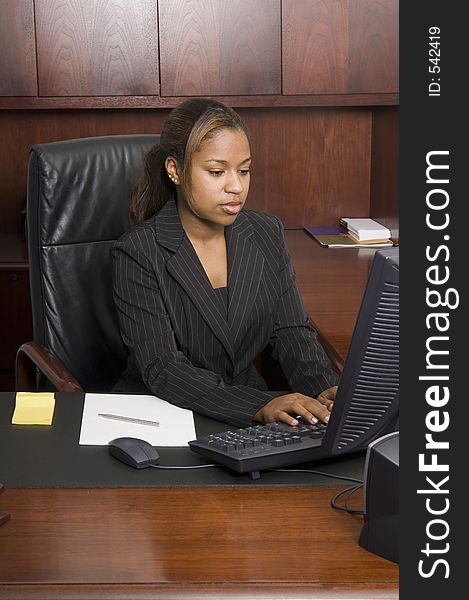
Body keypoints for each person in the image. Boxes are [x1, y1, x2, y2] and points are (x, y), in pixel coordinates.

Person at [112, 97, 339, 428]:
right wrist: (260, 405)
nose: (236, 187)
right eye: (217, 172)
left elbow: (291, 331)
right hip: (166, 417)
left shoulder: (265, 232)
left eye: (244, 170)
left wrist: (323, 390)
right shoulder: (137, 251)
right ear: (175, 169)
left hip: (253, 420)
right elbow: (163, 368)